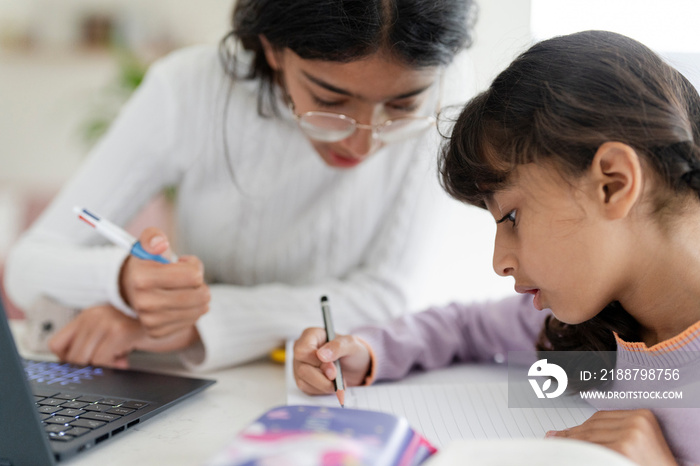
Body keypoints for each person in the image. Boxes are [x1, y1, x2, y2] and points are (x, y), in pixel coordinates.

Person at [292, 30, 700, 466]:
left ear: (613, 183)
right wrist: (371, 353)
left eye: (512, 218)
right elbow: (467, 327)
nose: (499, 262)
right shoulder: (594, 332)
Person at [3, 0, 477, 371]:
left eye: (401, 106)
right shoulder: (189, 89)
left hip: (338, 380)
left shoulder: (442, 91)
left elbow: (386, 295)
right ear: (273, 49)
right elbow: (26, 268)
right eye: (330, 99)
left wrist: (193, 325)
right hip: (194, 387)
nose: (361, 142)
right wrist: (124, 282)